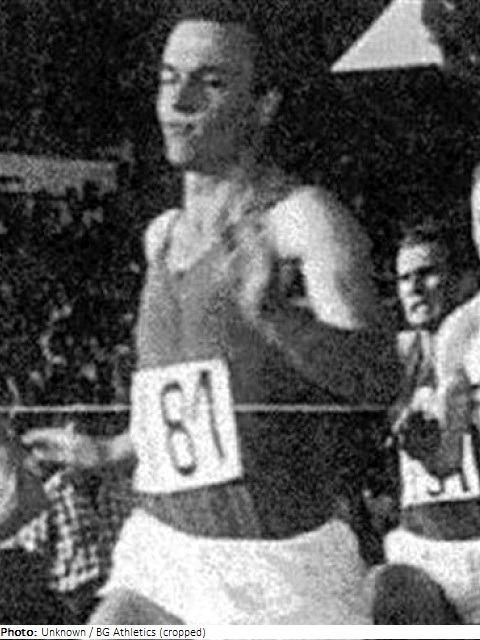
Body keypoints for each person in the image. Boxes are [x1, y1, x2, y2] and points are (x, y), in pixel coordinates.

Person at [25, 0, 400, 624]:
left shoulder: (301, 220)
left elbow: (379, 378)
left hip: (279, 571)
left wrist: (278, 318)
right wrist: (112, 450)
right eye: (169, 78)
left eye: (211, 82)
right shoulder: (161, 237)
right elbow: (196, 406)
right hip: (162, 552)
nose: (180, 101)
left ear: (263, 105)